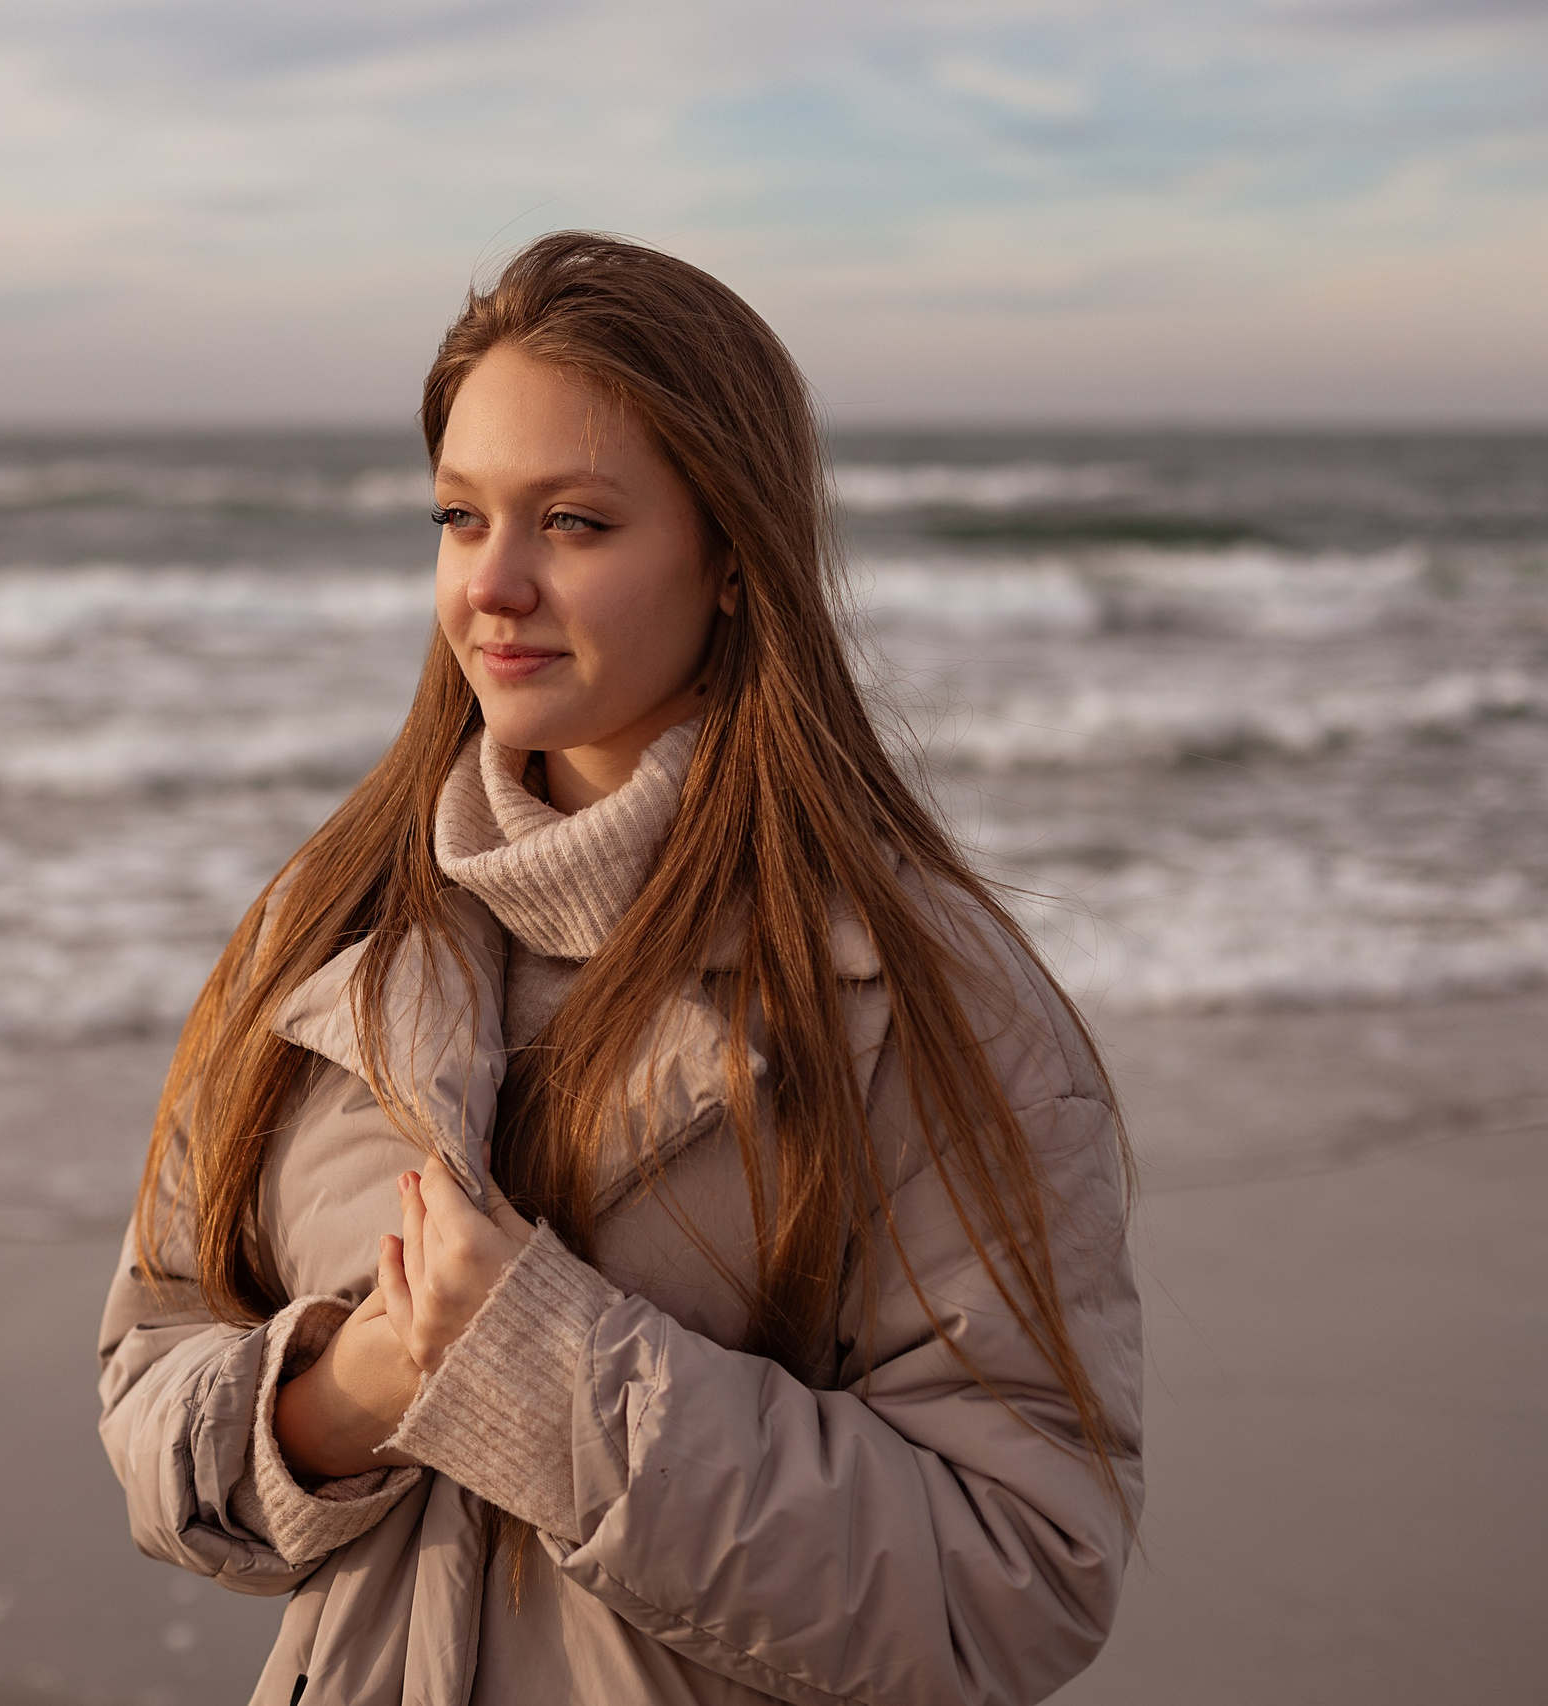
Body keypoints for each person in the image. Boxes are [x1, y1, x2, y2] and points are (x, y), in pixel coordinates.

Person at [96, 231, 1141, 1705]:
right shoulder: (322, 936)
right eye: (461, 517)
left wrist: (547, 1371)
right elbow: (149, 1386)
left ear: (729, 554)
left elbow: (1015, 1576)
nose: (495, 585)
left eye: (576, 523)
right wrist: (343, 1394)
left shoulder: (921, 999)